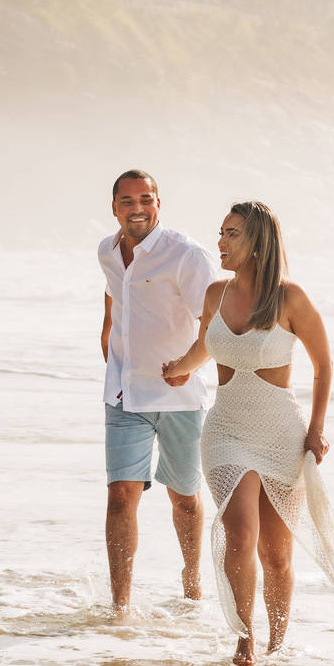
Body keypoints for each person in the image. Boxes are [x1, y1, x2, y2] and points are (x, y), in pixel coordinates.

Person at [162, 200, 334, 666]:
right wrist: (178, 369)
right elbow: (204, 348)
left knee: (276, 555)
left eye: (232, 234)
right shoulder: (215, 294)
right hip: (225, 429)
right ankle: (244, 636)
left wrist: (316, 432)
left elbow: (324, 366)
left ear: (258, 242)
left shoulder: (290, 299)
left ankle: (278, 643)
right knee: (239, 534)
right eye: (221, 233)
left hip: (280, 433)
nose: (221, 243)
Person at [98, 168, 215, 619]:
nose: (137, 209)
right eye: (127, 201)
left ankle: (191, 585)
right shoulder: (107, 251)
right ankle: (120, 607)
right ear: (114, 208)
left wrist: (190, 365)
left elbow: (214, 319)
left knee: (184, 496)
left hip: (179, 398)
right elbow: (113, 294)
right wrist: (107, 334)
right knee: (121, 496)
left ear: (158, 204)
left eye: (146, 199)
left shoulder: (185, 255)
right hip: (125, 392)